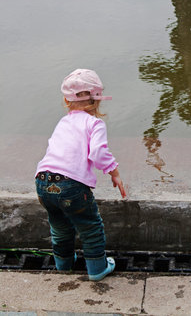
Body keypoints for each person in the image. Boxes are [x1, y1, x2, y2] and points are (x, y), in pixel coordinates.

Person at [35, 68, 126, 281]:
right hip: (71, 186)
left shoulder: (63, 122)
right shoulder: (95, 123)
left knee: (59, 226)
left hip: (42, 181)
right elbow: (97, 152)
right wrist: (114, 172)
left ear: (67, 102)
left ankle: (63, 265)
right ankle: (97, 268)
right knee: (90, 226)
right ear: (96, 102)